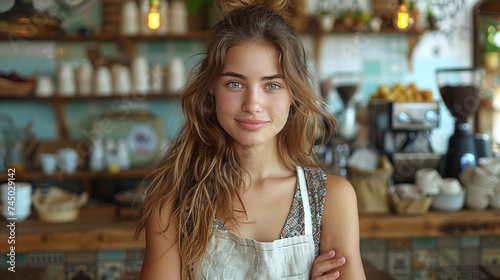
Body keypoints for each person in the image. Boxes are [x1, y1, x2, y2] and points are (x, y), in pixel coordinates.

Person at [135, 0, 366, 279]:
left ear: (293, 94)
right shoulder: (172, 202)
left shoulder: (330, 198)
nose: (252, 104)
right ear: (212, 88)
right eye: (235, 83)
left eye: (272, 85)